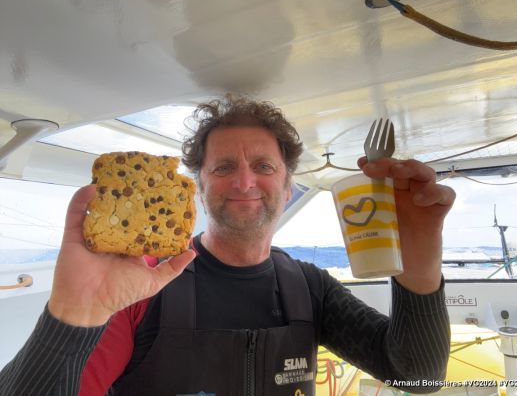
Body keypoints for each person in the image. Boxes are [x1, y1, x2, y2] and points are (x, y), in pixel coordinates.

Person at [0, 95, 455, 396]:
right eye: (222, 168)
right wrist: (73, 313)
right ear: (198, 186)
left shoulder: (311, 287)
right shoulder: (138, 288)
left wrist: (419, 264)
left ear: (288, 184)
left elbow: (417, 373)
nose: (243, 181)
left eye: (262, 165)